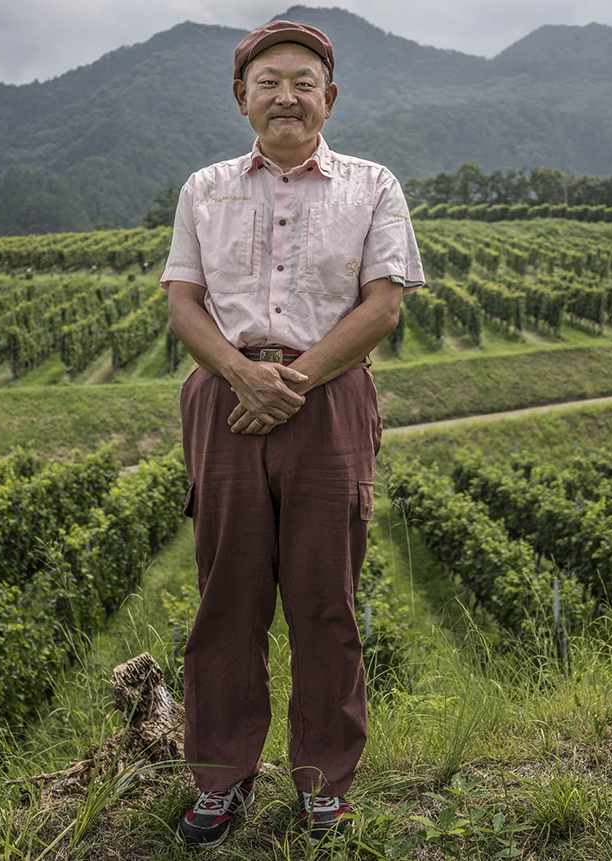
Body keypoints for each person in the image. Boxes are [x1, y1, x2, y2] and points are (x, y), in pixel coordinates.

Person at [160, 18, 425, 849]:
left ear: (330, 98)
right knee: (226, 599)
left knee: (323, 600)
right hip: (224, 397)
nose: (286, 94)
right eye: (268, 80)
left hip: (332, 398)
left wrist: (294, 382)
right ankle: (222, 778)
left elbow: (383, 304)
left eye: (303, 81)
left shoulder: (372, 183)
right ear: (242, 98)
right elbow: (183, 304)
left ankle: (324, 784)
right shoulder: (204, 188)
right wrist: (244, 376)